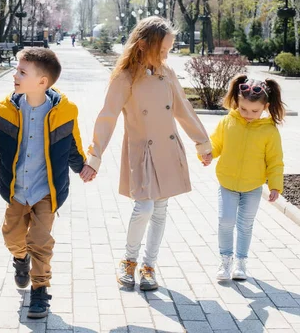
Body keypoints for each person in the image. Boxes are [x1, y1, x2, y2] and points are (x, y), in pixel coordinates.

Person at [82, 16, 213, 291]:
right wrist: (95, 157)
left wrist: (202, 143)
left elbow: (183, 110)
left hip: (167, 147)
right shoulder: (125, 77)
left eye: (168, 51)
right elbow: (108, 116)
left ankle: (149, 266)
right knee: (144, 206)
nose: (166, 56)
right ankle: (128, 261)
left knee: (161, 209)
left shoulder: (167, 74)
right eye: (162, 50)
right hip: (142, 151)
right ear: (142, 45)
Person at [0, 48, 93, 318]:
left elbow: (73, 145)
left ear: (42, 82)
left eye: (22, 72)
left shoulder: (65, 111)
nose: (15, 75)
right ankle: (20, 259)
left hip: (47, 191)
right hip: (16, 190)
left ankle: (40, 291)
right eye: (17, 69)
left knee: (41, 242)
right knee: (12, 236)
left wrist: (83, 167)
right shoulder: (5, 109)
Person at [204, 75, 285, 281]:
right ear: (237, 102)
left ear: (265, 106)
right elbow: (216, 144)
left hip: (252, 187)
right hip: (227, 183)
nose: (248, 114)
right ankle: (225, 260)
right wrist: (207, 154)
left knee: (245, 225)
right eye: (243, 109)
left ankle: (240, 262)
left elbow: (275, 160)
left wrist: (275, 185)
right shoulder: (227, 121)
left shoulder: (269, 130)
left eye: (254, 111)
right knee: (225, 221)